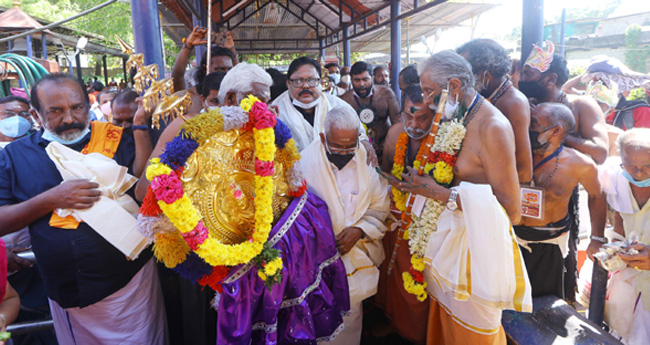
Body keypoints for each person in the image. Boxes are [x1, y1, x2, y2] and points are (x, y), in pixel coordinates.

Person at [0, 73, 166, 345]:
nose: (69, 119)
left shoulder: (118, 139)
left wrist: (140, 125)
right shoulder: (14, 156)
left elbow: (144, 188)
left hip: (131, 285)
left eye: (77, 108)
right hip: (66, 291)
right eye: (56, 111)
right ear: (35, 114)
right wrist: (51, 199)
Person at [390, 51, 531, 344]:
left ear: (454, 85)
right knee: (443, 324)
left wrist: (440, 194)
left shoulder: (493, 126)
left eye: (429, 91)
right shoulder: (457, 117)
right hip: (446, 247)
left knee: (473, 333)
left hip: (477, 252)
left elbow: (512, 211)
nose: (426, 101)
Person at [301, 106, 390, 345]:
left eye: (351, 146)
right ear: (322, 138)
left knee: (349, 322)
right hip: (313, 264)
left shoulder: (367, 163)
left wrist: (359, 231)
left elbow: (380, 208)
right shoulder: (302, 166)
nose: (345, 152)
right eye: (338, 146)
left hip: (353, 258)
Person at [514, 103, 607, 299]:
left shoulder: (580, 164)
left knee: (542, 303)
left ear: (556, 130)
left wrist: (597, 239)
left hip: (548, 244)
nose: (527, 127)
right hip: (510, 238)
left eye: (534, 123)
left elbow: (597, 196)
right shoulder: (516, 152)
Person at [377, 84, 434, 344]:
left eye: (422, 117)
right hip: (398, 217)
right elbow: (387, 171)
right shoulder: (396, 132)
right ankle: (397, 324)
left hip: (429, 228)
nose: (414, 124)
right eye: (408, 116)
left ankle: (420, 334)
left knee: (420, 283)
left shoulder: (444, 140)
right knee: (393, 275)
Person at [597, 128, 650, 344]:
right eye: (631, 165)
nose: (638, 172)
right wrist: (614, 247)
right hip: (634, 282)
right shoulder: (613, 176)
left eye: (647, 166)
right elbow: (618, 212)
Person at [271, 57, 376, 164]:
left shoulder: (337, 105)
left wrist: (363, 141)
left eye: (312, 80)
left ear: (321, 82)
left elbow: (359, 133)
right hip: (291, 175)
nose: (306, 86)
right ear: (288, 84)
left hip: (333, 173)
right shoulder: (275, 111)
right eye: (298, 81)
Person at [458, 39, 533, 183]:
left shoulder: (513, 102)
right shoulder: (487, 96)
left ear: (486, 74)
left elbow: (523, 171)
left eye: (467, 73)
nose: (463, 79)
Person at [341, 61, 400, 160]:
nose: (362, 84)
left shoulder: (386, 94)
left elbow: (397, 124)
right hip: (358, 151)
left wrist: (385, 145)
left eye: (365, 79)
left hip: (386, 148)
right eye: (357, 80)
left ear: (372, 78)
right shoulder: (345, 101)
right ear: (351, 80)